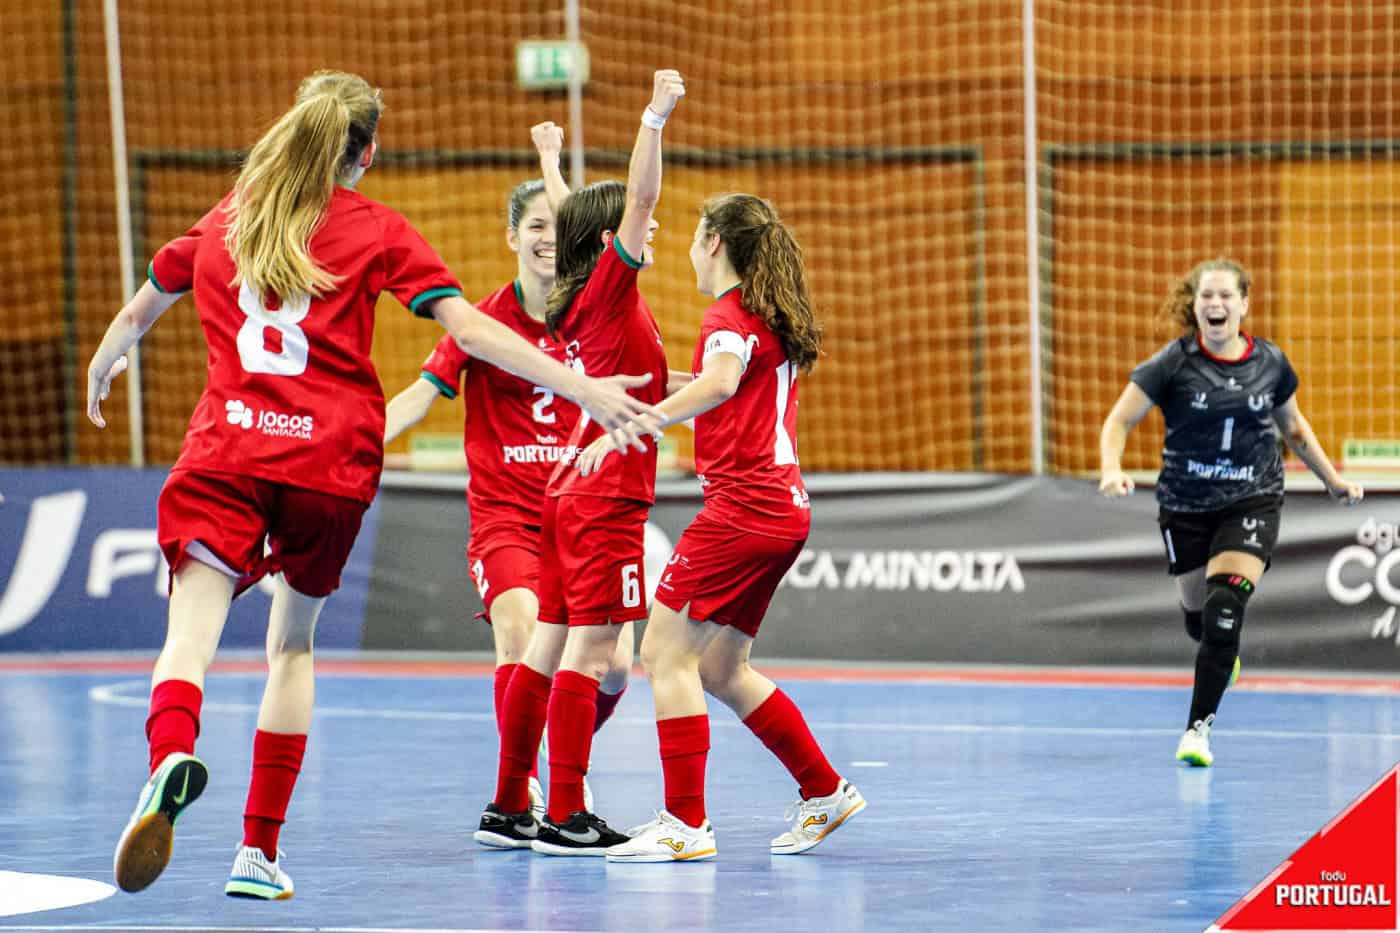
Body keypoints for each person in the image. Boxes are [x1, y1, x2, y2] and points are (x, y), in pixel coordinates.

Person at [86, 70, 659, 898]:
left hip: (225, 456)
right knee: (291, 646)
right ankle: (257, 852)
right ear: (367, 153)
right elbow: (469, 329)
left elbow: (143, 308)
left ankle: (172, 747)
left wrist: (106, 361)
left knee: (188, 639)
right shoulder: (377, 229)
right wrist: (584, 387)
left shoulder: (225, 218)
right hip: (328, 467)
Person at [577, 193, 866, 862]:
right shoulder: (764, 319)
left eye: (693, 237)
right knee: (720, 665)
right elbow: (718, 377)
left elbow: (719, 381)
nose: (684, 250)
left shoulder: (725, 317)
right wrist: (644, 385)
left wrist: (638, 421)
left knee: (662, 651)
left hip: (744, 508)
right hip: (785, 511)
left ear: (715, 244)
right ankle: (824, 790)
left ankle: (685, 821)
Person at [383, 168, 635, 820]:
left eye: (557, 226)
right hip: (508, 517)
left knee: (615, 666)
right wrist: (356, 440)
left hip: (582, 514)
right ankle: (521, 784)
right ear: (512, 236)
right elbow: (417, 397)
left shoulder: (593, 313)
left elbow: (650, 377)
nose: (548, 239)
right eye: (536, 226)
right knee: (520, 631)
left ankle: (554, 750)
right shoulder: (482, 323)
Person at [477, 69, 682, 856]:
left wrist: (556, 163)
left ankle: (508, 804)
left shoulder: (577, 287)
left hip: (571, 488)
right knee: (597, 655)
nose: (650, 234)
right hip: (605, 498)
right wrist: (653, 118)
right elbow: (637, 202)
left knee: (552, 643)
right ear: (609, 247)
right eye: (632, 235)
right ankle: (566, 810)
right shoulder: (613, 288)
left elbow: (581, 221)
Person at [1098, 257, 1362, 767]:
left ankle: (1197, 732)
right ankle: (1219, 652)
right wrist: (1111, 468)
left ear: (1244, 304)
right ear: (1194, 305)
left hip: (1252, 499)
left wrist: (1333, 480)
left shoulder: (1270, 363)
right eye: (1206, 297)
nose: (1215, 305)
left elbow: (1295, 429)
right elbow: (1119, 420)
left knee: (1224, 612)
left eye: (1225, 296)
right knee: (1200, 622)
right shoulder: (1171, 364)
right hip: (1185, 506)